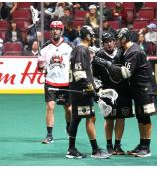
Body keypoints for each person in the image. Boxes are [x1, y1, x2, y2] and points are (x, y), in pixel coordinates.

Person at [93, 28, 157, 157]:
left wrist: (107, 64)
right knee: (141, 118)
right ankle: (142, 144)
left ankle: (146, 147)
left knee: (145, 118)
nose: (114, 42)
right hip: (138, 90)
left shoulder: (132, 52)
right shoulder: (127, 50)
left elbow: (125, 73)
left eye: (116, 39)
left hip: (145, 89)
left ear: (123, 38)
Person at [66, 25, 111, 159]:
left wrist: (93, 86)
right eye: (92, 35)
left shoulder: (80, 49)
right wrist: (92, 91)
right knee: (89, 118)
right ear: (87, 36)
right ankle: (95, 150)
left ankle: (71, 149)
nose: (94, 38)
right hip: (82, 92)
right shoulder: (81, 49)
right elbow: (80, 74)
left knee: (77, 119)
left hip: (80, 91)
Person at [92, 32, 133, 155]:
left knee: (121, 118)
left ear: (115, 41)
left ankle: (118, 146)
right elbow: (94, 75)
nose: (109, 44)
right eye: (106, 42)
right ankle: (109, 145)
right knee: (109, 119)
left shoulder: (122, 54)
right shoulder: (99, 55)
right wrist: (98, 90)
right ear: (102, 43)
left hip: (123, 91)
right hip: (107, 92)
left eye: (111, 41)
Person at [37, 20, 72, 144]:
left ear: (61, 31)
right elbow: (40, 69)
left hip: (65, 83)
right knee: (50, 107)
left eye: (57, 29)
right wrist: (40, 63)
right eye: (52, 29)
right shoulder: (45, 48)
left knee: (68, 110)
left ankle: (68, 127)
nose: (55, 31)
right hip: (50, 82)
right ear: (50, 31)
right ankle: (49, 134)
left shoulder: (69, 47)